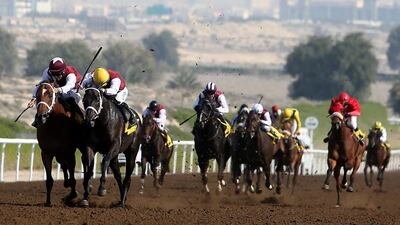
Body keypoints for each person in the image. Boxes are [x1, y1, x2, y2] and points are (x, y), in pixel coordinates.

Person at [27, 57, 82, 127]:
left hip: (71, 91)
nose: (56, 76)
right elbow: (41, 86)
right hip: (55, 90)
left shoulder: (70, 73)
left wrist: (59, 89)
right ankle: (39, 117)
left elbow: (70, 85)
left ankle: (80, 120)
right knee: (45, 98)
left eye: (58, 74)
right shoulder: (47, 72)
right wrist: (33, 99)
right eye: (54, 74)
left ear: (64, 71)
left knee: (71, 99)